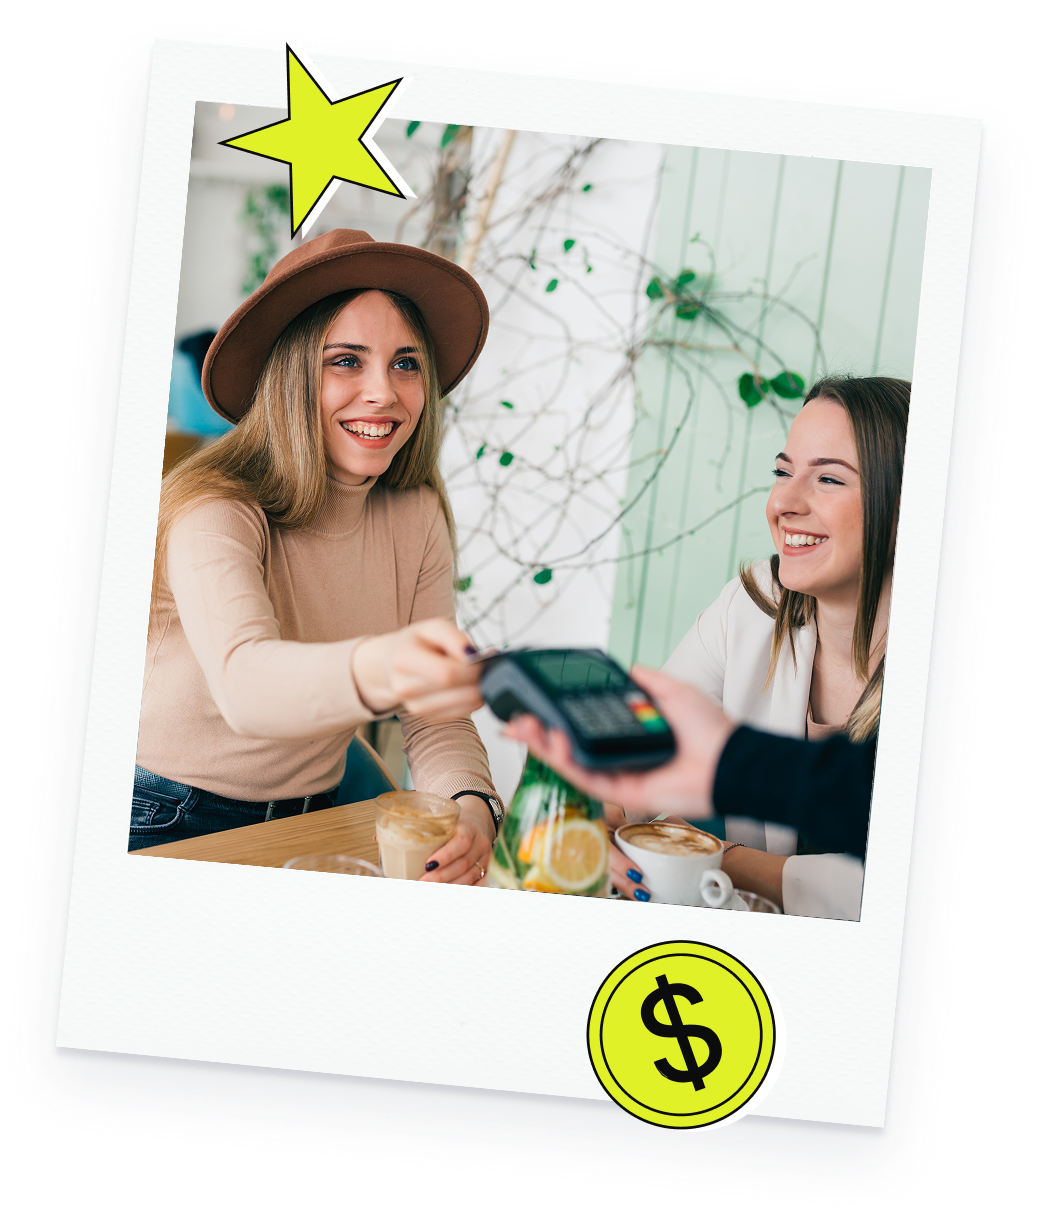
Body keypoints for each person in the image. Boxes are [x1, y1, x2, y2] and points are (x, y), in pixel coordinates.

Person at [131, 228, 500, 885]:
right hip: (163, 817)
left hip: (316, 814)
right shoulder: (213, 509)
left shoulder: (412, 514)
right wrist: (391, 663)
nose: (384, 392)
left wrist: (470, 804)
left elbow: (434, 716)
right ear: (290, 373)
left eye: (406, 363)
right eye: (347, 361)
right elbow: (247, 686)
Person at [562, 375, 906, 917]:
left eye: (829, 480)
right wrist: (596, 818)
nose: (783, 502)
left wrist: (718, 859)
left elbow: (905, 889)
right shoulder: (755, 605)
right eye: (782, 472)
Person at [503, 666, 875, 856]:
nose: (779, 511)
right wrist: (606, 812)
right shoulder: (753, 597)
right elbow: (638, 748)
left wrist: (716, 855)